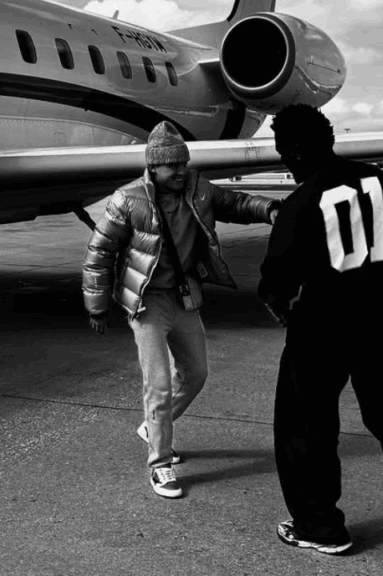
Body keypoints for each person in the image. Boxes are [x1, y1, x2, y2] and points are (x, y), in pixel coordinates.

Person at [257, 104, 383, 554]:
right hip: (382, 317)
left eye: (284, 152)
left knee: (306, 424)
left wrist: (278, 302)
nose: (285, 162)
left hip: (323, 326)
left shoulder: (302, 202)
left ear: (297, 150)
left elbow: (277, 276)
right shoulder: (379, 181)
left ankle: (319, 526)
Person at [82, 120, 280, 499]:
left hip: (185, 297)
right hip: (148, 304)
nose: (180, 171)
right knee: (157, 384)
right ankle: (160, 465)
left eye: (183, 163)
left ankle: (154, 426)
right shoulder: (128, 199)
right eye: (172, 165)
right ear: (153, 166)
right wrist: (96, 305)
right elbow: (99, 252)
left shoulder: (199, 189)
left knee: (196, 374)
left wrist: (269, 209)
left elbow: (237, 203)